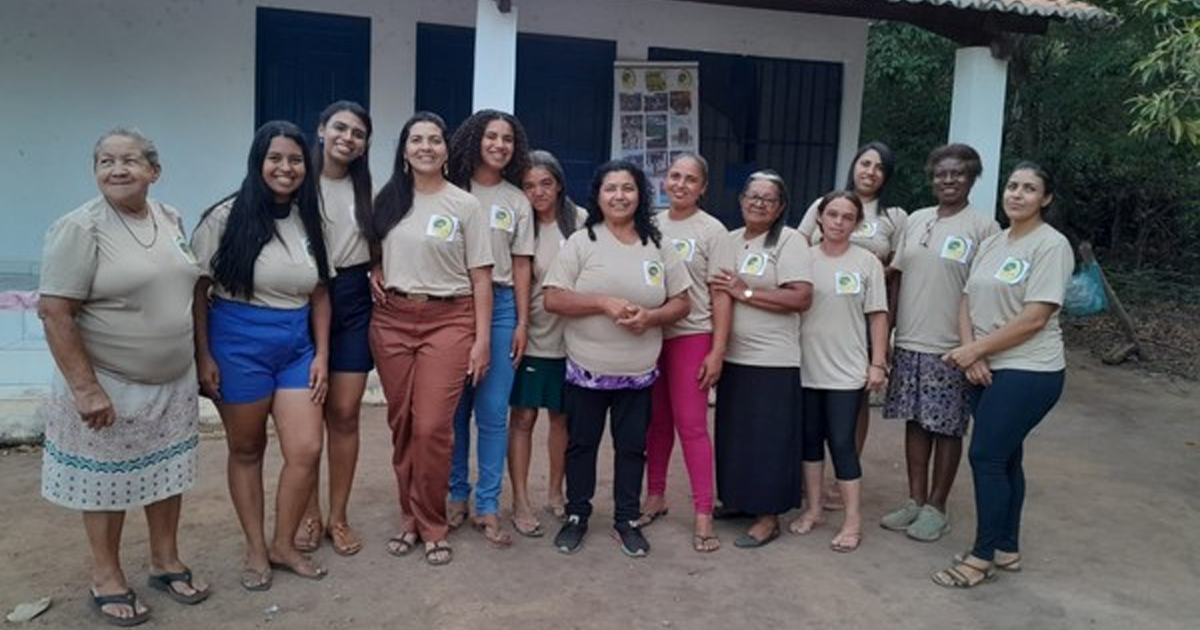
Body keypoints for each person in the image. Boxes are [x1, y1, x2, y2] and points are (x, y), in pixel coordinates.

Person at [39, 128, 208, 626]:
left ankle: (164, 561)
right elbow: (54, 311)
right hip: (109, 382)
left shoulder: (169, 216)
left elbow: (189, 287)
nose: (117, 170)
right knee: (105, 481)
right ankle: (107, 576)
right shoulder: (80, 228)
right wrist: (85, 388)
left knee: (166, 472)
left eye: (130, 160)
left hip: (172, 380)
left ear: (154, 171)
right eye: (106, 161)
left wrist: (200, 356)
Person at [193, 120, 333, 590]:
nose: (285, 168)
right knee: (248, 448)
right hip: (237, 344)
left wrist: (321, 355)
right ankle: (256, 548)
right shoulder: (224, 217)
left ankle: (283, 543)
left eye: (295, 159)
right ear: (258, 161)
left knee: (307, 449)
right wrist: (203, 355)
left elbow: (320, 293)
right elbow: (198, 291)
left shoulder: (309, 218)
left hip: (296, 346)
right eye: (275, 158)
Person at [933, 162, 1073, 587]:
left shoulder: (1051, 246)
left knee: (986, 457)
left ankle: (981, 558)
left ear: (1046, 198)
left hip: (1030, 370)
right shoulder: (995, 241)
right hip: (985, 366)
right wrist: (972, 352)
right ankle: (1006, 549)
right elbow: (966, 298)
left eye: (1029, 188)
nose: (1017, 194)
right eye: (1012, 186)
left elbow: (1035, 318)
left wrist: (977, 349)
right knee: (1006, 457)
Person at [543, 160, 691, 557]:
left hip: (638, 373)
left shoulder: (658, 245)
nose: (619, 196)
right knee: (581, 445)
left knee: (631, 448)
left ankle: (626, 520)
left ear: (640, 195)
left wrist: (652, 318)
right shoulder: (581, 242)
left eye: (628, 188)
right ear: (598, 195)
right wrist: (602, 302)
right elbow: (553, 298)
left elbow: (682, 302)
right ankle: (577, 515)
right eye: (611, 188)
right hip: (586, 370)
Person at [365, 112, 494, 567]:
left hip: (449, 321)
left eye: (434, 140)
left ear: (445, 149)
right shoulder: (387, 200)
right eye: (416, 140)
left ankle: (433, 524)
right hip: (392, 320)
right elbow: (373, 250)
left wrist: (481, 340)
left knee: (432, 427)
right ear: (404, 150)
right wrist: (375, 268)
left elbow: (482, 277)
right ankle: (410, 519)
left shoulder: (465, 205)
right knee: (402, 425)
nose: (426, 147)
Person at [880, 144, 999, 542]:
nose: (948, 180)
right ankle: (915, 500)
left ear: (972, 178)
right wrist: (888, 333)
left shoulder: (983, 228)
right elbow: (897, 278)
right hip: (909, 340)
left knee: (947, 427)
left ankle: (937, 507)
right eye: (941, 174)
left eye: (957, 173)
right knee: (915, 421)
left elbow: (985, 291)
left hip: (951, 346)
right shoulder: (917, 219)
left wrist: (976, 348)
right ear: (931, 179)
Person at [708, 170, 814, 549]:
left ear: (781, 207)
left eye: (768, 199)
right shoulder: (729, 240)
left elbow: (801, 296)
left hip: (773, 359)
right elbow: (718, 291)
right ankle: (739, 500)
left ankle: (768, 517)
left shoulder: (789, 240)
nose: (758, 204)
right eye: (753, 196)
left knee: (768, 439)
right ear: (741, 201)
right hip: (734, 356)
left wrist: (747, 292)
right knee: (736, 434)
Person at [446, 110, 534, 547]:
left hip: (499, 307)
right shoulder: (449, 189)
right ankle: (456, 495)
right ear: (474, 140)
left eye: (508, 139)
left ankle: (487, 504)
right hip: (452, 304)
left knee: (494, 411)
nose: (500, 145)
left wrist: (521, 321)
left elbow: (521, 265)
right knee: (454, 410)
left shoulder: (516, 201)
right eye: (491, 136)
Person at [638, 153, 731, 553]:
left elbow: (721, 295)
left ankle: (703, 513)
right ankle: (655, 496)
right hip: (651, 335)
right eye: (674, 176)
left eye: (690, 179)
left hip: (692, 336)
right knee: (656, 423)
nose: (680, 184)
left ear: (703, 187)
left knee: (691, 425)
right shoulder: (650, 224)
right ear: (664, 180)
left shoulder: (713, 231)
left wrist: (718, 350)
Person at [797, 142, 905, 483]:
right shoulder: (824, 203)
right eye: (865, 163)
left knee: (853, 405)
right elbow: (796, 248)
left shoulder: (894, 216)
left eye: (879, 167)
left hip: (863, 313)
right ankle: (807, 479)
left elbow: (897, 273)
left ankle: (843, 476)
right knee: (809, 405)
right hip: (818, 314)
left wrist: (885, 338)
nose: (870, 172)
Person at [295, 101, 373, 557]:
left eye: (358, 133)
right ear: (322, 130)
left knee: (344, 413)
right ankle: (309, 514)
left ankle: (338, 516)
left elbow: (378, 244)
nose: (348, 138)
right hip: (301, 298)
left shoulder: (369, 190)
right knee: (305, 416)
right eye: (340, 128)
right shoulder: (296, 180)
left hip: (353, 299)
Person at [791, 191, 889, 553]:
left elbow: (878, 316)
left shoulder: (867, 263)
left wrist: (877, 362)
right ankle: (814, 510)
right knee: (809, 441)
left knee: (843, 443)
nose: (838, 222)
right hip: (805, 367)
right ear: (819, 217)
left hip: (847, 370)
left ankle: (852, 521)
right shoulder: (802, 258)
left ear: (857, 223)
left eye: (847, 217)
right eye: (832, 214)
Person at [507, 150, 587, 537]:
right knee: (523, 418)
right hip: (531, 333)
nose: (538, 192)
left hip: (572, 337)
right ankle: (520, 499)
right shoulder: (519, 223)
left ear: (559, 185)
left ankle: (557, 493)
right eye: (528, 185)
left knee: (562, 418)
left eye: (545, 183)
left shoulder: (582, 221)